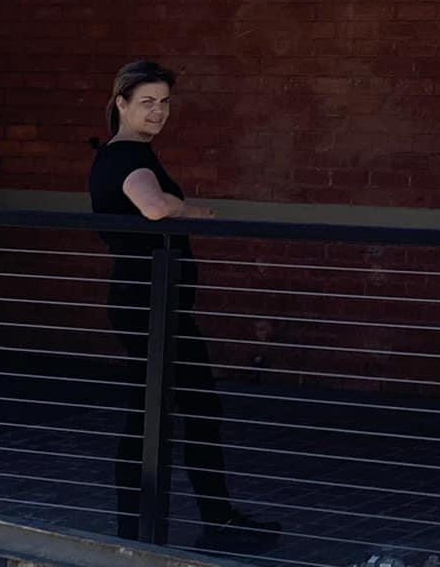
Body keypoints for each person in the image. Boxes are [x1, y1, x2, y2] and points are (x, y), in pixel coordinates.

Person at [88, 61, 279, 552]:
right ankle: (159, 530)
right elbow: (153, 207)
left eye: (165, 102)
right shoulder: (127, 157)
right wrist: (187, 209)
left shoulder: (121, 155)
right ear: (121, 104)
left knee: (180, 410)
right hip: (149, 307)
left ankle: (184, 524)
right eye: (147, 102)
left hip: (151, 304)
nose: (158, 111)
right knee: (170, 412)